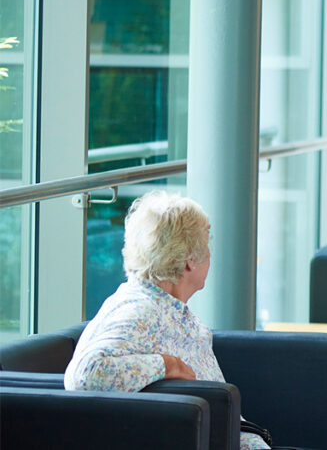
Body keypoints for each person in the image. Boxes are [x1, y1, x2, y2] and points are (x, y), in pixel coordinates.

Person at [64, 190, 269, 450]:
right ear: (189, 262)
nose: (210, 253)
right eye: (207, 244)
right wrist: (166, 364)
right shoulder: (139, 311)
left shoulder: (169, 309)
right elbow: (85, 376)